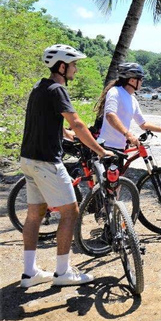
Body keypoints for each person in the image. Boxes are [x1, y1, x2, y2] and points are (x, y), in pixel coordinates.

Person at [19, 44, 114, 288]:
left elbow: (52, 123)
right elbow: (78, 123)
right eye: (73, 65)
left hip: (28, 160)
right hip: (47, 162)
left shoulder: (39, 88)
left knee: (34, 215)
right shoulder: (57, 90)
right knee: (70, 212)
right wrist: (100, 150)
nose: (75, 70)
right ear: (62, 66)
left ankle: (30, 273)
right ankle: (62, 272)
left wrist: (69, 136)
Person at [94, 62, 161, 154]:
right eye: (141, 79)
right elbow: (110, 115)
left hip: (121, 148)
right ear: (132, 80)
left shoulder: (133, 99)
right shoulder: (115, 92)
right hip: (107, 146)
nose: (142, 82)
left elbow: (143, 124)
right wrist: (128, 135)